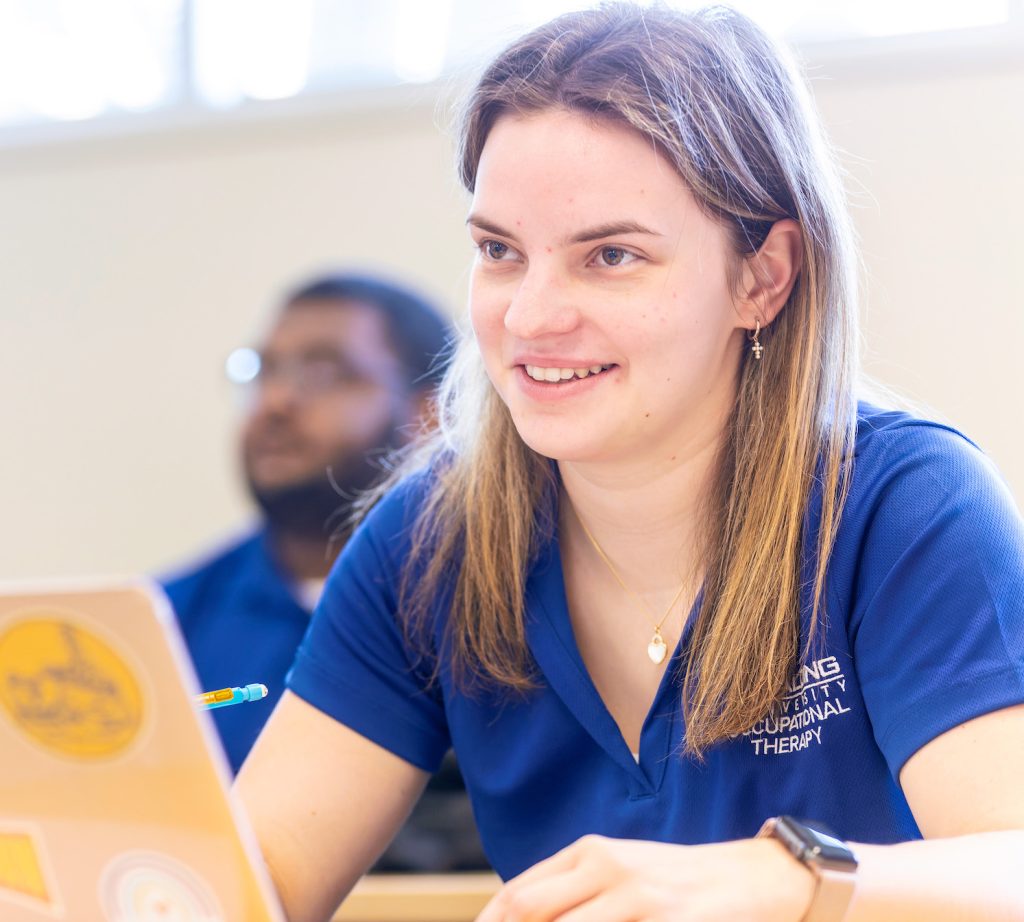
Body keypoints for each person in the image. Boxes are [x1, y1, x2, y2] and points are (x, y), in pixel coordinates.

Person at [236, 6, 1024, 921]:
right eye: (499, 251)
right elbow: (253, 886)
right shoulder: (427, 542)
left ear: (762, 277)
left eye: (610, 256)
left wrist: (783, 879)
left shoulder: (905, 509)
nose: (530, 318)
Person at [162, 273, 488, 871]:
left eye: (325, 373)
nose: (277, 401)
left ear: (430, 414)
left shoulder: (502, 606)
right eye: (263, 371)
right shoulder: (167, 621)